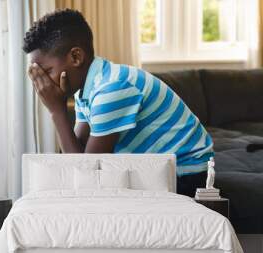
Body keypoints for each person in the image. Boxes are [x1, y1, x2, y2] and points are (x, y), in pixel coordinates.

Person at [23, 9, 213, 197]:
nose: (43, 83)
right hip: (163, 169)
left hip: (188, 174)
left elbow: (89, 173)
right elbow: (78, 156)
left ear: (76, 57)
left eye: (46, 72)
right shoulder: (88, 87)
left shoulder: (112, 88)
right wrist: (59, 107)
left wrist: (56, 110)